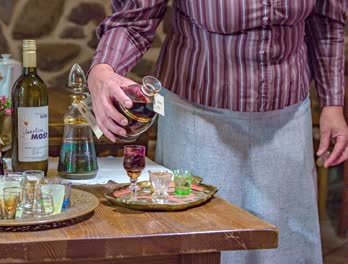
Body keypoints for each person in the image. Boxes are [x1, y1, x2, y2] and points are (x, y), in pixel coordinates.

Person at [87, 1, 347, 263]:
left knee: (284, 248)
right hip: (198, 116)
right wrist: (102, 70)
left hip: (286, 117)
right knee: (206, 240)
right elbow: (134, 20)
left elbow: (327, 21)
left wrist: (332, 103)